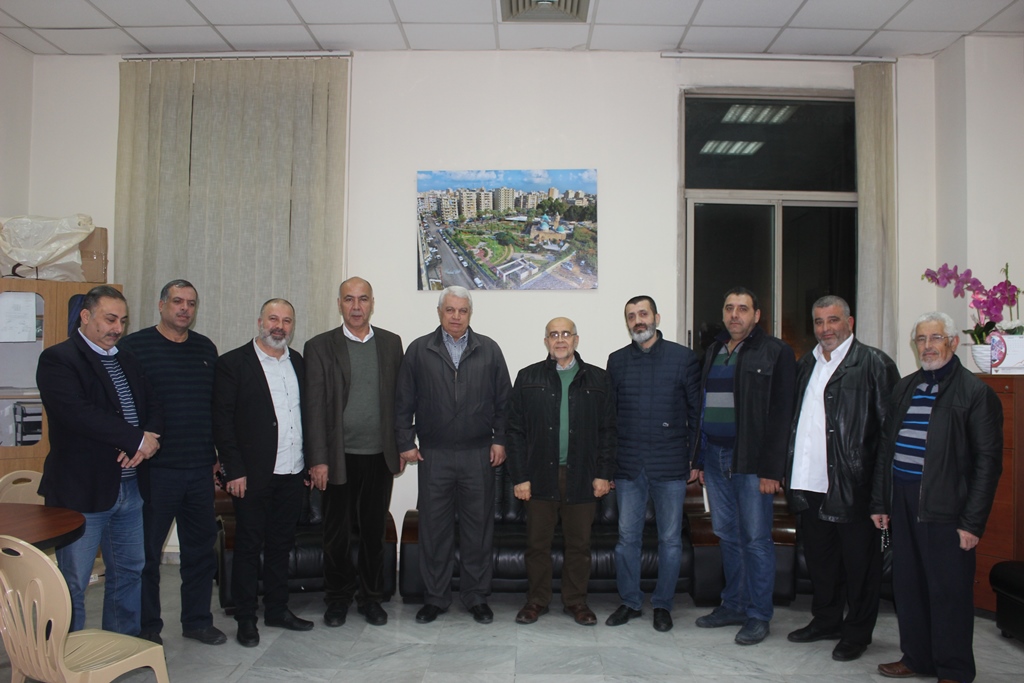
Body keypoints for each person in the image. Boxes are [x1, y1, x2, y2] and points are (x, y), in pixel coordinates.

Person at [871, 312, 1002, 683]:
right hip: (903, 501)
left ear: (953, 342)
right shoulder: (905, 387)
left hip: (947, 508)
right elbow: (886, 448)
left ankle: (954, 669)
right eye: (921, 339)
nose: (927, 346)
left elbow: (988, 465)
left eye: (936, 338)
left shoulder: (976, 393)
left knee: (949, 593)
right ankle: (917, 658)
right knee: (908, 587)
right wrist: (881, 502)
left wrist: (972, 523)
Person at [36, 285, 163, 635]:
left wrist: (146, 440)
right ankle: (66, 655)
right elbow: (78, 414)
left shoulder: (127, 359)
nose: (117, 328)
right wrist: (133, 438)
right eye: (110, 319)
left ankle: (120, 648)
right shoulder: (59, 359)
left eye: (122, 321)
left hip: (130, 490)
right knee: (73, 582)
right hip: (82, 492)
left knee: (129, 573)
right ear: (85, 316)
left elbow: (153, 405)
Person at [785, 295, 899, 661]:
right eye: (819, 322)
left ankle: (857, 633)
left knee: (860, 568)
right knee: (821, 563)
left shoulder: (875, 364)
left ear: (850, 322)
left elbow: (889, 436)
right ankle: (826, 621)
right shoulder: (807, 364)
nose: (825, 329)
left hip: (854, 487)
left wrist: (881, 496)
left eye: (833, 320)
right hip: (810, 484)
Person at [395, 285, 511, 624]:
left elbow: (504, 402)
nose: (456, 316)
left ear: (470, 314)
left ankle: (476, 597)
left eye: (462, 310)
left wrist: (500, 439)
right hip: (435, 455)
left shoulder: (489, 350)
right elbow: (403, 402)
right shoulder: (419, 350)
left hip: (478, 454)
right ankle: (435, 597)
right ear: (439, 312)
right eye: (450, 310)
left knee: (478, 530)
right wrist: (405, 441)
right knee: (434, 529)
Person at [118, 279, 225, 646]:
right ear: (161, 305)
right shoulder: (134, 347)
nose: (184, 308)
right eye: (177, 301)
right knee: (147, 555)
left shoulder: (205, 348)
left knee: (200, 552)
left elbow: (213, 407)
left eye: (191, 303)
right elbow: (124, 404)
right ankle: (147, 628)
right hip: (155, 470)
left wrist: (216, 456)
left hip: (199, 468)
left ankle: (197, 621)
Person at [691, 286, 795, 645]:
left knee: (755, 539)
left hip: (751, 461)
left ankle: (758, 614)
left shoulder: (776, 351)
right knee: (727, 535)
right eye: (729, 308)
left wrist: (772, 469)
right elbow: (703, 408)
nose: (735, 314)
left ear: (756, 315)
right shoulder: (714, 351)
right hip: (715, 458)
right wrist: (699, 458)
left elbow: (783, 414)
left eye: (743, 308)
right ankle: (733, 604)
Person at [213, 299, 314, 647]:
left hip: (292, 471)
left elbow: (306, 416)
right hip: (251, 475)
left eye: (287, 320)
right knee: (247, 546)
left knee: (281, 545)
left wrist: (309, 462)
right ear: (260, 321)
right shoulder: (233, 364)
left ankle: (277, 609)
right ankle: (245, 618)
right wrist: (233, 471)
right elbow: (222, 423)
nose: (279, 326)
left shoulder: (298, 362)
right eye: (273, 318)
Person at [303, 277, 404, 627]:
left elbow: (399, 401)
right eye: (349, 299)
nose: (356, 306)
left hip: (379, 455)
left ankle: (371, 598)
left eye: (363, 299)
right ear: (339, 304)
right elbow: (313, 408)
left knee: (374, 533)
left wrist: (401, 444)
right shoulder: (319, 346)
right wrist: (318, 459)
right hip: (337, 458)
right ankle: (338, 598)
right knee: (337, 535)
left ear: (372, 303)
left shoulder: (391, 343)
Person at [506, 317, 616, 626]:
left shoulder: (598, 379)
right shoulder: (527, 377)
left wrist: (603, 473)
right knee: (537, 545)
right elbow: (514, 431)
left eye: (566, 333)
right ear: (546, 342)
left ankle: (576, 602)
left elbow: (609, 430)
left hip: (582, 475)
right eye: (553, 334)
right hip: (540, 475)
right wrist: (520, 477)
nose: (560, 339)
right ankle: (536, 601)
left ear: (576, 340)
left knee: (579, 546)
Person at [604, 296, 700, 633]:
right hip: (628, 465)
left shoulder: (683, 358)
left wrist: (695, 458)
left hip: (671, 464)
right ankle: (630, 601)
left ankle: (663, 604)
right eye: (631, 316)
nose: (638, 321)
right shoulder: (617, 361)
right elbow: (609, 417)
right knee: (626, 539)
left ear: (656, 317)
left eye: (643, 314)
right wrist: (607, 464)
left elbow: (696, 413)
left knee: (670, 540)